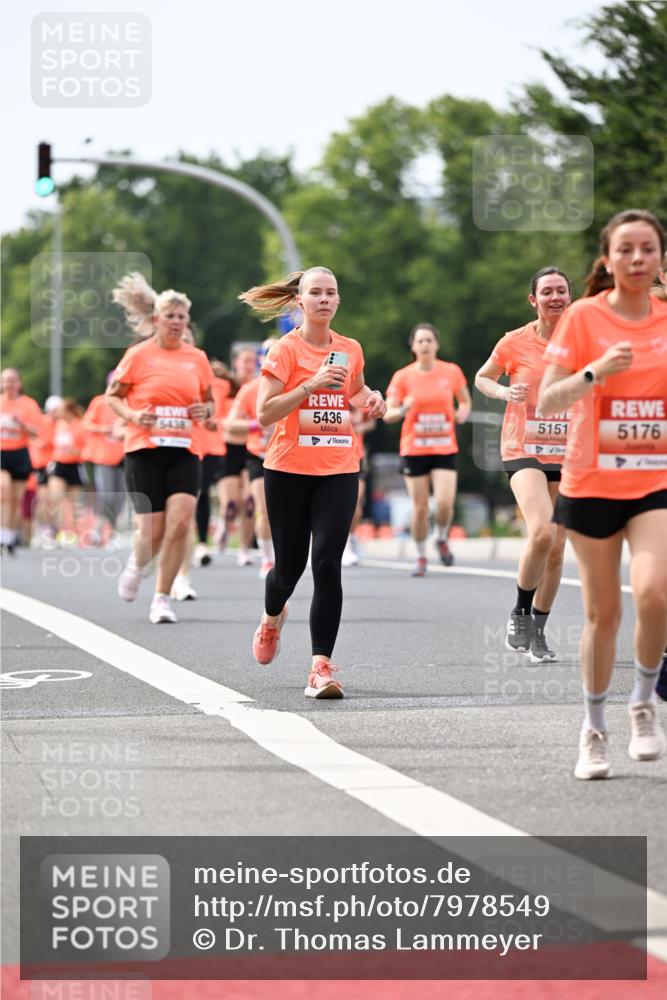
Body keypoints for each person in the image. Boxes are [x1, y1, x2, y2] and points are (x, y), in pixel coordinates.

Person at [538, 209, 667, 779]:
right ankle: (593, 727)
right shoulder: (584, 317)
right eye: (626, 250)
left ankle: (642, 702)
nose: (637, 258)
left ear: (660, 259)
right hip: (591, 481)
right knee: (603, 613)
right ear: (609, 260)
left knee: (655, 593)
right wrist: (594, 372)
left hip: (654, 479)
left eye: (648, 249)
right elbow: (548, 398)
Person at [239, 266, 386, 698]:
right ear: (299, 301)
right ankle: (271, 619)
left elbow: (354, 390)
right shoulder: (284, 350)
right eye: (315, 293)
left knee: (326, 563)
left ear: (338, 301)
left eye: (330, 293)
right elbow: (265, 412)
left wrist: (371, 398)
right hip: (287, 470)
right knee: (288, 569)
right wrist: (311, 385)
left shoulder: (350, 348)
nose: (324, 299)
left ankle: (320, 666)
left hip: (338, 468)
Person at [475, 268, 572, 662]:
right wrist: (503, 392)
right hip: (524, 448)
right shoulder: (514, 341)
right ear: (534, 300)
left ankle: (538, 632)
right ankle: (519, 612)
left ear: (570, 297)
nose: (555, 297)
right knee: (543, 532)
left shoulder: (584, 341)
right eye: (547, 291)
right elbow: (482, 377)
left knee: (558, 549)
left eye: (561, 290)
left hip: (568, 452)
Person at [108, 272, 214, 624]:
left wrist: (205, 411)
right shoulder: (137, 355)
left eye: (182, 317)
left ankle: (161, 599)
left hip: (185, 449)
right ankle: (137, 565)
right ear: (156, 319)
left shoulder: (197, 358)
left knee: (180, 523)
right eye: (170, 316)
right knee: (151, 531)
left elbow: (209, 402)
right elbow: (113, 397)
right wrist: (133, 415)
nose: (176, 322)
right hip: (144, 450)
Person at [384, 324, 470, 576]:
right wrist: (403, 409)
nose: (425, 345)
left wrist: (462, 413)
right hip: (414, 449)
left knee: (444, 503)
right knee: (420, 507)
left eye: (429, 340)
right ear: (413, 346)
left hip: (444, 446)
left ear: (436, 345)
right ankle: (421, 555)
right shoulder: (402, 377)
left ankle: (441, 537)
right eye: (420, 341)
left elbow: (465, 401)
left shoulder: (451, 371)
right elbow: (388, 414)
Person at [225, 349, 276, 579]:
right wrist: (258, 425)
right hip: (259, 456)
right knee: (263, 509)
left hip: (291, 456)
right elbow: (231, 424)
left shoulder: (298, 386)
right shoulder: (250, 389)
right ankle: (267, 559)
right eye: (268, 354)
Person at [219, 347, 259, 566]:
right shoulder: (226, 388)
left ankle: (245, 548)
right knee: (231, 504)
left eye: (253, 361)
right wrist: (252, 425)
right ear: (236, 363)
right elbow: (225, 423)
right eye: (245, 361)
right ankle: (224, 526)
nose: (249, 365)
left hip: (252, 449)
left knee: (250, 502)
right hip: (229, 449)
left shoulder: (261, 387)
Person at [82, 373, 126, 546]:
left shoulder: (128, 403)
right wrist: (104, 429)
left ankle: (107, 531)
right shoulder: (100, 402)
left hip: (124, 456)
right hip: (104, 457)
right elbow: (87, 423)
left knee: (121, 497)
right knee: (107, 496)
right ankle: (103, 530)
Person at [0, 368, 41, 553]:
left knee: (16, 499)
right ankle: (2, 533)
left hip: (20, 453)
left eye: (12, 380)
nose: (9, 384)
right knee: (4, 492)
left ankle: (9, 537)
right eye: (5, 380)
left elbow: (36, 432)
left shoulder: (29, 404)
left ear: (19, 383)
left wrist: (21, 424)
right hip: (1, 451)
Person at [341, 406, 376, 566]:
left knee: (355, 503)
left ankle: (352, 538)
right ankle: (344, 544)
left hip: (357, 455)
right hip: (336, 454)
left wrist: (361, 427)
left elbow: (371, 422)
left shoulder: (359, 397)